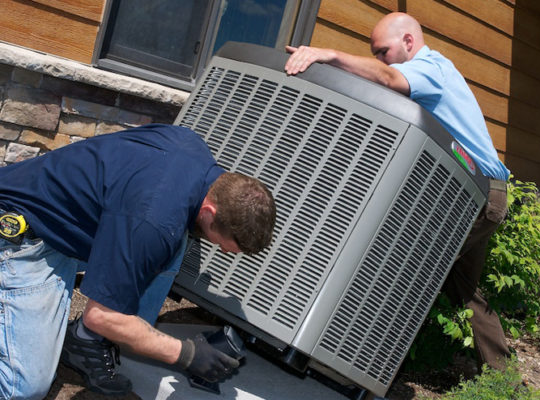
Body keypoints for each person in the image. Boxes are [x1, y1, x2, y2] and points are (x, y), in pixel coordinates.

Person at [285, 12, 512, 371]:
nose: (379, 60)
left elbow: (390, 79)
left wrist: (329, 54)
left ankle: (351, 364)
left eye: (382, 51)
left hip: (475, 196)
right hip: (483, 194)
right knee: (465, 291)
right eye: (374, 54)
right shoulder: (423, 74)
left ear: (408, 42)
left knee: (403, 271)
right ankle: (507, 381)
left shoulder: (430, 68)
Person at [0, 123, 277, 399]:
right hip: (24, 236)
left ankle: (85, 341)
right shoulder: (152, 221)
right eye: (223, 245)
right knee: (22, 387)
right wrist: (186, 354)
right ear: (210, 211)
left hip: (68, 216)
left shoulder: (190, 146)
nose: (223, 251)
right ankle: (99, 331)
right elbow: (101, 316)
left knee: (172, 238)